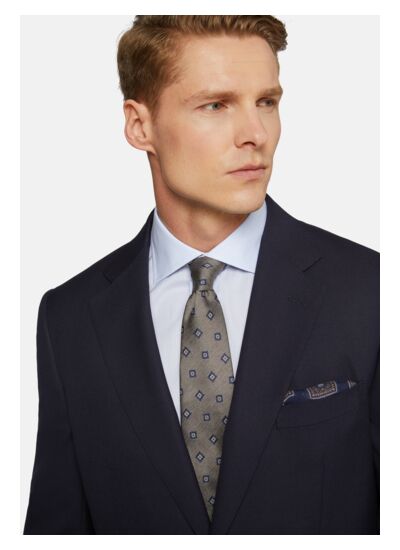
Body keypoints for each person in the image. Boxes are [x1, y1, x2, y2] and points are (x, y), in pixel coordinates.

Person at [23, 15, 379, 535]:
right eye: (216, 105)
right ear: (140, 126)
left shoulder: (370, 289)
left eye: (266, 102)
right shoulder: (70, 318)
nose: (256, 134)